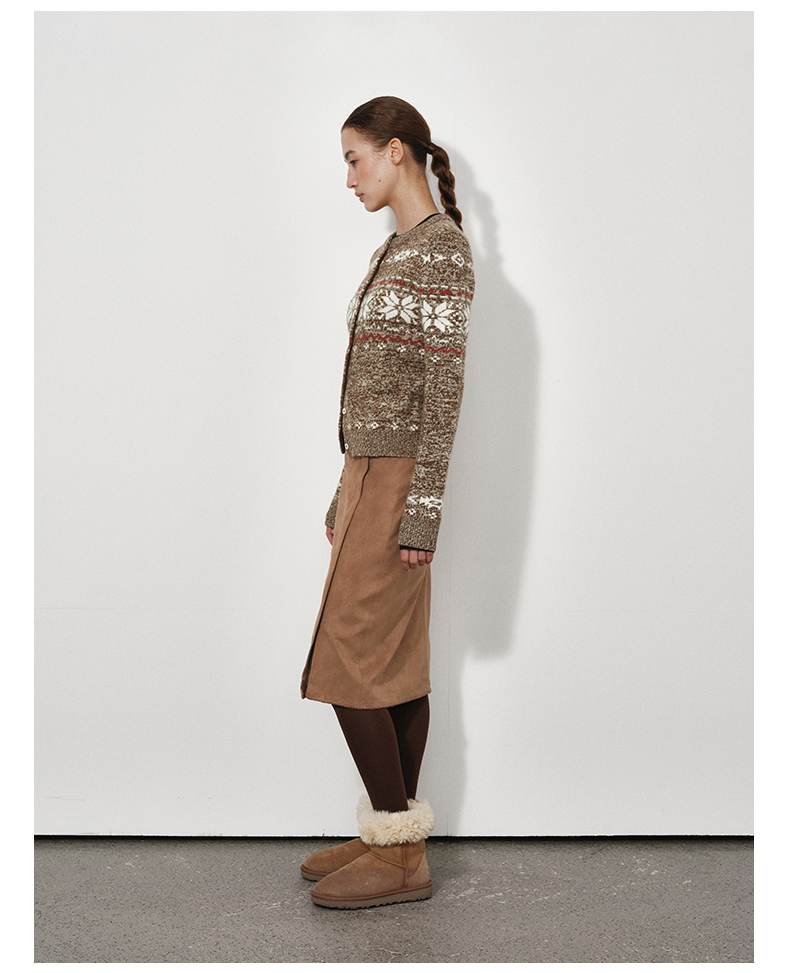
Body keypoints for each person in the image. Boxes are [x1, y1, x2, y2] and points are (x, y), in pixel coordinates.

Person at [299, 96, 475, 909]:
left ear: (395, 150)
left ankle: (402, 854)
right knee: (393, 663)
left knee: (351, 658)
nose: (348, 178)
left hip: (403, 476)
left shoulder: (442, 251)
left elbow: (443, 392)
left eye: (354, 158)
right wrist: (343, 490)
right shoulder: (393, 250)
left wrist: (423, 507)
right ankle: (389, 835)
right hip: (367, 474)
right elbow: (370, 389)